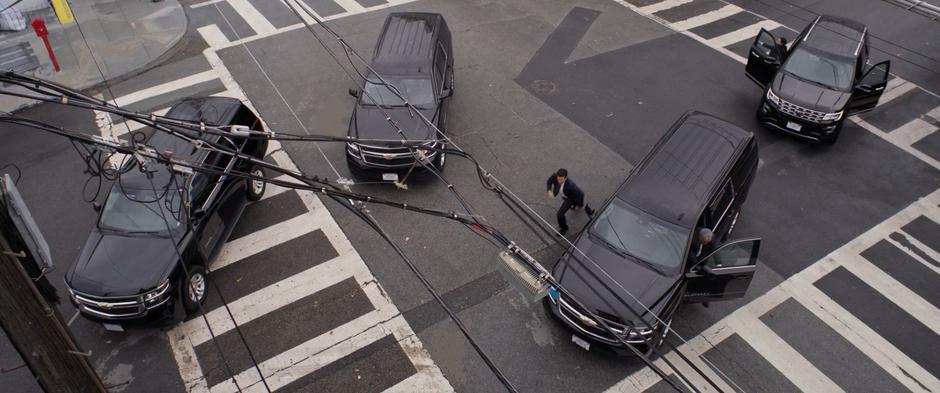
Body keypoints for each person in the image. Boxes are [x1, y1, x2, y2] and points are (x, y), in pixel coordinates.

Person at [546, 168, 594, 235]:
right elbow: (549, 182)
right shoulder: (555, 176)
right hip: (565, 196)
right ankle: (575, 205)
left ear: (565, 178)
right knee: (568, 207)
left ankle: (564, 228)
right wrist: (549, 190)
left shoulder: (571, 186)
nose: (559, 181)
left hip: (570, 198)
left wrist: (580, 203)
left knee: (559, 214)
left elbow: (581, 193)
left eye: (561, 180)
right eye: (558, 179)